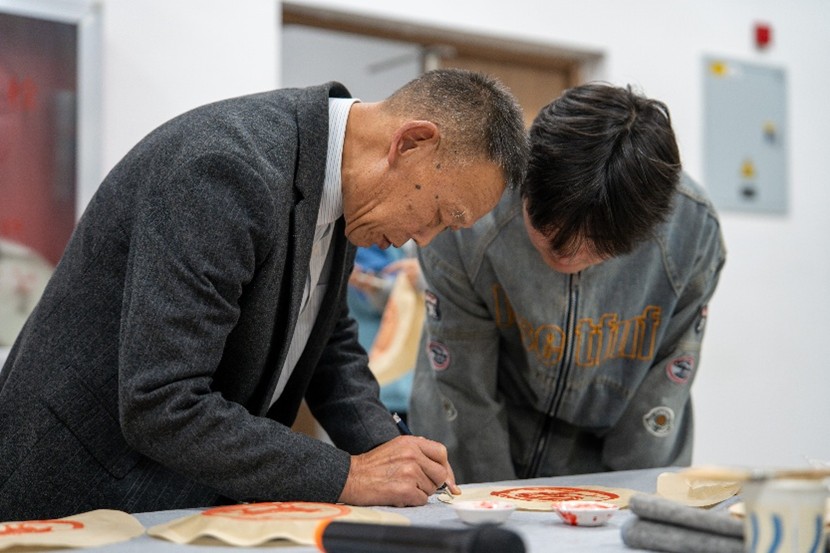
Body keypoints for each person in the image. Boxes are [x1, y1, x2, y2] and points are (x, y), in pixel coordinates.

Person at [0, 68, 529, 519]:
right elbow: (161, 401)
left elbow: (327, 343)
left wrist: (389, 449)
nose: (426, 239)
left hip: (178, 497)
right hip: (81, 495)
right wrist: (348, 475)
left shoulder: (349, 192)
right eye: (440, 214)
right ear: (409, 143)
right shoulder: (226, 169)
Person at [409, 83, 726, 484]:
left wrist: (633, 499)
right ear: (526, 181)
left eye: (596, 247)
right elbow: (465, 387)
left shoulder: (691, 231)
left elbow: (662, 390)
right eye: (546, 232)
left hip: (602, 450)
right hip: (477, 439)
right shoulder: (469, 216)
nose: (567, 258)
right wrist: (494, 499)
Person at [347, 243, 423, 421]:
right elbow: (380, 293)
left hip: (409, 385)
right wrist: (425, 281)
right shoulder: (367, 242)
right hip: (380, 384)